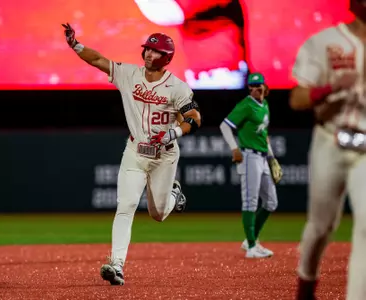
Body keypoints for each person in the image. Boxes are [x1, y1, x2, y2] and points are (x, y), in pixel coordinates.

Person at [61, 23, 202, 285]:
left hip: (164, 156)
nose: (149, 54)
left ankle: (173, 194)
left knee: (158, 214)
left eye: (155, 51)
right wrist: (75, 45)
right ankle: (117, 265)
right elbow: (99, 60)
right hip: (135, 151)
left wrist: (175, 133)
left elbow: (195, 117)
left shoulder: (178, 87)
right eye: (147, 49)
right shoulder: (129, 74)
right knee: (124, 207)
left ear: (167, 57)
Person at [290, 1, 366, 299]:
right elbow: (297, 99)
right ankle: (306, 282)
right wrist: (329, 88)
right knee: (321, 227)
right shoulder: (325, 42)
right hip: (331, 138)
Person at [219, 72, 282, 258]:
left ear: (265, 87)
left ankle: (250, 240)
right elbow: (225, 126)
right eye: (251, 87)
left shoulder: (264, 105)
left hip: (263, 157)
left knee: (271, 202)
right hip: (249, 157)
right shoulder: (246, 105)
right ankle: (252, 247)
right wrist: (234, 148)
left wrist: (272, 158)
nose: (255, 89)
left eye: (258, 86)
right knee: (250, 201)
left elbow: (264, 135)